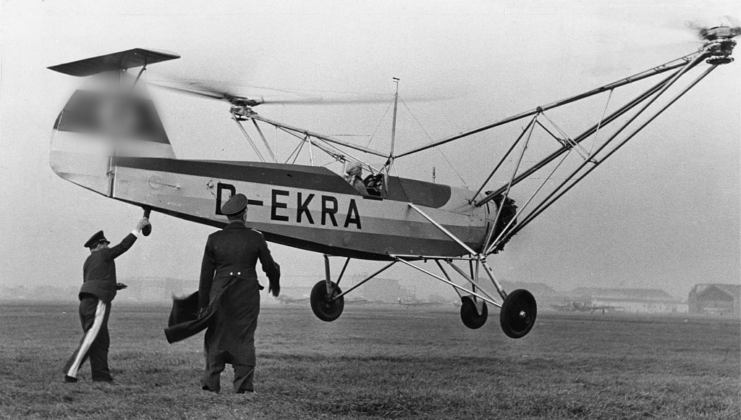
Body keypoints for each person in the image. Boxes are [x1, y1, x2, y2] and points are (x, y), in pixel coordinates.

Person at [198, 193, 281, 394]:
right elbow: (269, 266)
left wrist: (203, 305)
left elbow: (206, 276)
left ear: (228, 217)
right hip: (246, 294)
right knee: (244, 336)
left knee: (216, 335)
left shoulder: (214, 239)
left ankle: (211, 384)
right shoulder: (256, 237)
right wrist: (274, 281)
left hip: (220, 294)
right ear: (244, 214)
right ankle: (243, 386)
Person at [62, 218, 150, 383]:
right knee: (92, 337)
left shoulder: (89, 261)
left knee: (101, 340)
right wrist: (137, 228)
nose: (108, 247)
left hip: (86, 301)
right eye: (105, 244)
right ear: (99, 245)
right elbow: (123, 246)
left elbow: (94, 280)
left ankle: (101, 376)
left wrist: (113, 286)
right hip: (98, 302)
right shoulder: (103, 254)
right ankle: (71, 372)